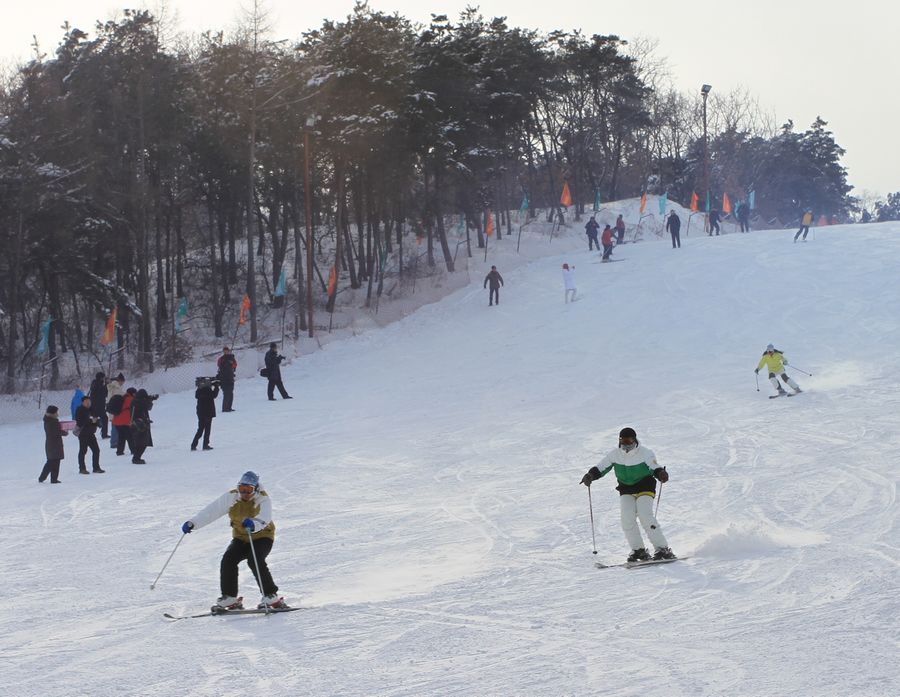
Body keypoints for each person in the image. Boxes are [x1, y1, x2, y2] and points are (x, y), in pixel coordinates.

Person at [181, 471, 287, 610]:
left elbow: (265, 517)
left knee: (254, 559)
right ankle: (229, 597)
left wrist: (254, 524)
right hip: (240, 537)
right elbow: (212, 511)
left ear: (255, 489)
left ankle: (270, 596)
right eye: (241, 489)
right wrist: (193, 523)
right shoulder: (232, 497)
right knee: (228, 560)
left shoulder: (263, 499)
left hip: (262, 536)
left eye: (248, 490)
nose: (244, 493)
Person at [580, 427, 675, 563]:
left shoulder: (645, 453)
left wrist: (660, 473)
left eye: (629, 440)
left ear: (634, 440)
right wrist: (590, 475)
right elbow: (601, 467)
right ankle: (639, 550)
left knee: (644, 514)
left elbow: (654, 466)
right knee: (626, 518)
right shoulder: (615, 454)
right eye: (623, 441)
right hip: (626, 489)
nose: (626, 444)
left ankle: (662, 549)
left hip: (645, 487)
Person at [75, 396, 104, 474]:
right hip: (83, 433)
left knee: (96, 450)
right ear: (82, 402)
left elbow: (97, 419)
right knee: (83, 451)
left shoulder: (92, 409)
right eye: (86, 401)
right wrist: (91, 421)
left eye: (89, 401)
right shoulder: (79, 410)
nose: (88, 403)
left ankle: (96, 467)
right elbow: (79, 422)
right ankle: (82, 468)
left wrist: (97, 422)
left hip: (91, 433)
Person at [39, 405, 68, 483]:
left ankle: (44, 477)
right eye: (56, 412)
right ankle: (52, 478)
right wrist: (65, 432)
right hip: (54, 444)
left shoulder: (48, 420)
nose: (58, 414)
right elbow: (56, 432)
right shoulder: (53, 422)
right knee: (54, 462)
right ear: (53, 413)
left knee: (51, 461)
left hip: (51, 444)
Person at [192, 378, 220, 451]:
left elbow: (198, 396)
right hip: (208, 412)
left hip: (200, 412)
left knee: (200, 429)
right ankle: (205, 445)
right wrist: (216, 387)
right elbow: (214, 395)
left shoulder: (199, 390)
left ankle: (193, 445)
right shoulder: (207, 390)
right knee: (207, 429)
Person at [130, 388, 156, 464]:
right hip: (140, 424)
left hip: (137, 424)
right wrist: (150, 399)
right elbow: (149, 407)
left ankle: (136, 457)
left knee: (140, 442)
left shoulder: (135, 401)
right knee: (143, 442)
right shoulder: (140, 402)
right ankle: (136, 458)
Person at [113, 387, 137, 457]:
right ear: (132, 393)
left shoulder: (122, 398)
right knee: (130, 436)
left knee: (121, 436)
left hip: (116, 421)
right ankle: (133, 450)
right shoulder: (130, 399)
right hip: (125, 421)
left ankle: (119, 451)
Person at [106, 373, 125, 449]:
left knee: (114, 425)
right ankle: (114, 442)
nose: (123, 384)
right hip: (115, 409)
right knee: (115, 425)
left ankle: (115, 441)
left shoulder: (112, 387)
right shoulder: (116, 387)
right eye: (123, 382)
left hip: (111, 408)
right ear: (120, 381)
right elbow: (121, 395)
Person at [89, 372, 109, 439]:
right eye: (103, 377)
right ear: (101, 378)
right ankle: (104, 434)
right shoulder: (99, 384)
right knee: (104, 419)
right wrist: (106, 384)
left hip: (94, 405)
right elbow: (104, 393)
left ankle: (90, 433)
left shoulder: (94, 383)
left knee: (95, 419)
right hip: (99, 406)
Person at [217, 347, 237, 412]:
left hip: (230, 377)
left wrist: (231, 364)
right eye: (224, 351)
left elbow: (235, 365)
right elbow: (219, 365)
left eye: (227, 351)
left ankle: (229, 407)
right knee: (226, 393)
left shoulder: (232, 358)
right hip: (223, 377)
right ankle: (225, 408)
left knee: (230, 393)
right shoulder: (221, 359)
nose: (226, 352)